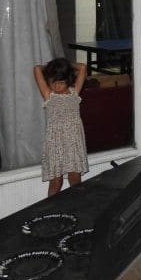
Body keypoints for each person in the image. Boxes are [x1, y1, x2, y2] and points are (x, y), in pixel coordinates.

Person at [33, 58, 89, 196]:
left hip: (73, 142)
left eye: (61, 82)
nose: (57, 86)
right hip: (55, 144)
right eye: (53, 82)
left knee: (75, 178)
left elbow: (82, 67)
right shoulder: (48, 95)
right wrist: (54, 66)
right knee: (56, 181)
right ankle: (51, 206)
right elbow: (37, 69)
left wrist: (65, 65)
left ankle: (77, 205)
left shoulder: (74, 93)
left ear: (68, 80)